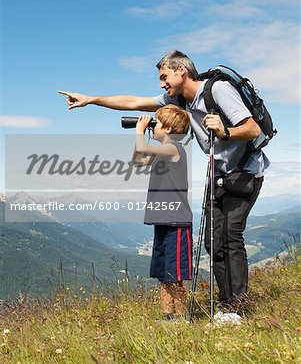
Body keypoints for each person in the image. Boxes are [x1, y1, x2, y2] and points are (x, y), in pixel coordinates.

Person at [59, 49, 268, 320]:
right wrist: (91, 99)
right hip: (218, 174)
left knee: (229, 237)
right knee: (212, 242)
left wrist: (225, 130)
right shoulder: (179, 99)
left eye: (164, 76)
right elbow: (134, 102)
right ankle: (227, 303)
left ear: (181, 70)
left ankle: (236, 308)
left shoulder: (218, 90)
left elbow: (252, 129)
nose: (161, 84)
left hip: (245, 172)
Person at [132, 105, 193, 320]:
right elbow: (138, 160)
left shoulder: (174, 149)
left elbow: (145, 149)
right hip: (163, 219)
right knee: (163, 273)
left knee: (174, 274)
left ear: (167, 129)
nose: (153, 127)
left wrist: (140, 132)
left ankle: (182, 317)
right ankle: (167, 316)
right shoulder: (162, 154)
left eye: (156, 124)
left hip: (176, 221)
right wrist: (141, 137)